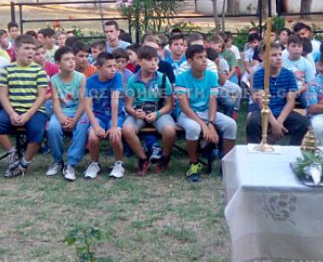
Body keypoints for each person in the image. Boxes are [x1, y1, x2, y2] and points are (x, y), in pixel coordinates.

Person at [0, 34, 48, 178]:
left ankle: (24, 164)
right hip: (13, 109)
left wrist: (27, 115)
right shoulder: (7, 70)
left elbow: (41, 97)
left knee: (37, 131)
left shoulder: (39, 70)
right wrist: (12, 113)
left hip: (34, 111)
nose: (31, 52)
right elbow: (3, 96)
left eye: (33, 49)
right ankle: (13, 154)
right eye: (26, 48)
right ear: (16, 49)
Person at [175, 45, 237, 182]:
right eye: (199, 57)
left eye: (205, 57)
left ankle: (226, 164)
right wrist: (204, 125)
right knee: (193, 128)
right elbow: (185, 107)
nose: (204, 60)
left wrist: (211, 123)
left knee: (231, 124)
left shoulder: (211, 76)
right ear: (190, 61)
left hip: (207, 112)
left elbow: (212, 101)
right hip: (188, 114)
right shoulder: (181, 78)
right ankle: (193, 164)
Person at [122, 46, 176, 175]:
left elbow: (169, 105)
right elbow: (128, 106)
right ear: (140, 61)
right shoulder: (133, 80)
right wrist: (134, 112)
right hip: (139, 112)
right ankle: (143, 158)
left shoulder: (162, 78)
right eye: (149, 60)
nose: (153, 63)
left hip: (159, 112)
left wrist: (157, 114)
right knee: (127, 129)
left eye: (156, 60)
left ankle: (165, 157)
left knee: (170, 130)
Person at [246, 42, 308, 145]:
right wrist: (274, 124)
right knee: (253, 123)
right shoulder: (259, 75)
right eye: (274, 55)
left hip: (282, 111)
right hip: (264, 111)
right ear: (263, 58)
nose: (278, 58)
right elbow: (261, 102)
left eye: (280, 54)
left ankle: (293, 150)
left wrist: (279, 122)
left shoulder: (289, 74)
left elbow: (291, 101)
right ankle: (255, 149)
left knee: (303, 123)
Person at [47, 46, 88, 181]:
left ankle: (71, 163)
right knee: (53, 127)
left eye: (72, 59)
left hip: (79, 112)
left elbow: (83, 103)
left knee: (82, 126)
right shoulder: (54, 79)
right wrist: (62, 119)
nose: (71, 62)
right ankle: (57, 161)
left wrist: (74, 120)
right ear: (57, 63)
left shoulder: (81, 77)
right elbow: (55, 102)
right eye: (66, 59)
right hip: (62, 112)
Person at [83, 53, 126, 179]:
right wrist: (96, 126)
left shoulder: (117, 76)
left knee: (115, 136)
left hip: (115, 115)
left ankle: (119, 164)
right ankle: (94, 164)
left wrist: (114, 126)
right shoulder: (90, 81)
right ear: (99, 67)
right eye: (109, 66)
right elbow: (87, 106)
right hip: (99, 116)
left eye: (114, 66)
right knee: (93, 137)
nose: (113, 69)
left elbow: (115, 101)